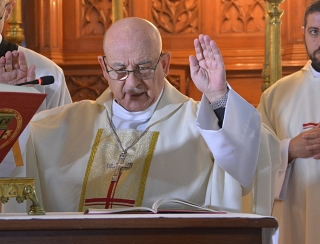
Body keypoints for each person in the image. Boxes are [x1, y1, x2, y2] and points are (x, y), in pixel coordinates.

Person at [23, 17, 283, 221]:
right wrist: (13, 95)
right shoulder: (69, 124)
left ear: (165, 64)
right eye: (120, 70)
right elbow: (15, 146)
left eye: (144, 67)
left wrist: (218, 96)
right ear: (104, 68)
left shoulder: (203, 123)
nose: (133, 82)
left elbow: (258, 150)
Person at [257, 0, 320, 244]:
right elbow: (251, 161)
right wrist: (287, 150)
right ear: (303, 32)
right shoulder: (275, 96)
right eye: (315, 32)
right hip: (296, 219)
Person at [0, 0, 72, 177]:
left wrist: (19, 102)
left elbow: (64, 151)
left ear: (8, 10)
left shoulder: (46, 74)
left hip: (23, 200)